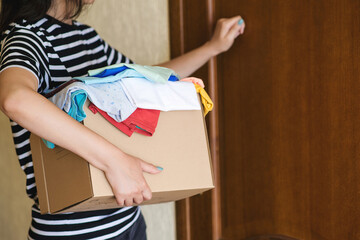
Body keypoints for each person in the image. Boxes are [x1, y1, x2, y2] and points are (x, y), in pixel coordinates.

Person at [0, 0, 246, 239]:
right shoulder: (27, 37)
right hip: (74, 232)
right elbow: (16, 100)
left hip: (128, 223)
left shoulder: (86, 37)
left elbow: (145, 82)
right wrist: (114, 161)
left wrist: (212, 48)